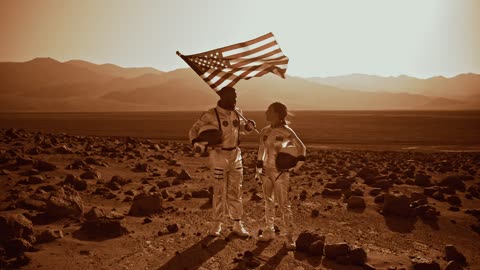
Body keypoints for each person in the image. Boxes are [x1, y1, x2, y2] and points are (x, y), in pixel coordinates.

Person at [189, 86, 256, 237]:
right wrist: (195, 143)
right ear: (223, 97)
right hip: (218, 155)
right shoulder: (210, 114)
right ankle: (217, 223)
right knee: (219, 190)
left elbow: (238, 131)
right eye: (232, 97)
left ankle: (237, 223)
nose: (234, 100)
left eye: (235, 97)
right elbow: (194, 130)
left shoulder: (237, 112)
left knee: (236, 190)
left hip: (235, 155)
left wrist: (248, 127)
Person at [256, 102, 306, 250]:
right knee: (268, 201)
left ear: (277, 114)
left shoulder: (286, 131)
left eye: (269, 110)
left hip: (280, 173)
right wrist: (258, 167)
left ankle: (289, 237)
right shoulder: (264, 131)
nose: (265, 113)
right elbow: (261, 150)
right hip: (266, 171)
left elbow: (301, 147)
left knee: (284, 204)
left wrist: (296, 166)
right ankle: (269, 230)